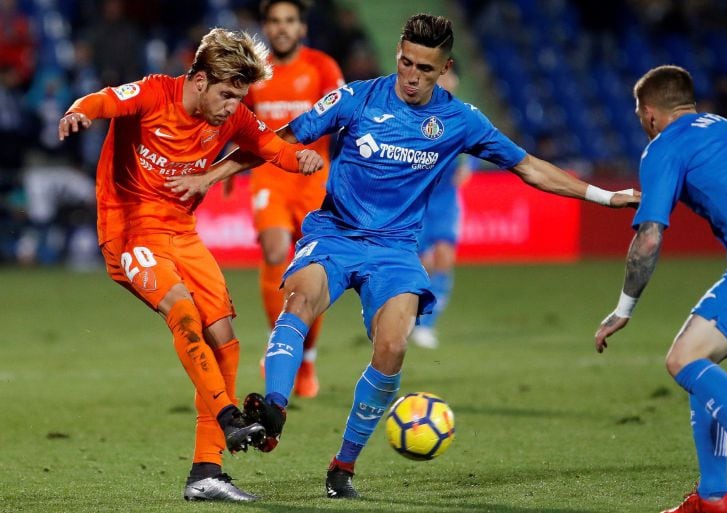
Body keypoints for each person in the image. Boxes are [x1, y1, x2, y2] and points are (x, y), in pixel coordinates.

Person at [167, 13, 638, 499]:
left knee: (392, 348)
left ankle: (342, 467)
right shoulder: (357, 98)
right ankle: (274, 409)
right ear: (397, 54)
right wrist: (209, 177)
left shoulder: (460, 121)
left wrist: (604, 197)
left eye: (425, 70)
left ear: (446, 68)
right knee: (299, 302)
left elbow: (529, 168)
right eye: (406, 63)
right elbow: (279, 140)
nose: (412, 76)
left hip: (395, 251)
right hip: (336, 234)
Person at [58, 27, 323, 502]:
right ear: (198, 80)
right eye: (225, 94)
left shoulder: (233, 115)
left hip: (182, 234)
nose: (231, 106)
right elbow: (103, 100)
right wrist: (79, 111)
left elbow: (269, 146)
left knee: (224, 335)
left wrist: (298, 156)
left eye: (239, 96)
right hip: (130, 233)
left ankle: (207, 472)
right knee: (181, 311)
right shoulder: (155, 93)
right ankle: (227, 416)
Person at [594, 65, 727, 513]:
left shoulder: (664, 145)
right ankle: (713, 496)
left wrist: (624, 308)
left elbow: (649, 236)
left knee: (684, 359)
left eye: (639, 114)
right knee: (699, 359)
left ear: (649, 113)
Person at [240, 0, 345, 398]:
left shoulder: (322, 67)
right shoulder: (253, 71)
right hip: (270, 172)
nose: (281, 28)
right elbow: (240, 120)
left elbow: (344, 118)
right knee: (273, 250)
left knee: (312, 268)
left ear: (302, 28)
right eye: (274, 21)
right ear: (266, 27)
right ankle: (282, 345)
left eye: (289, 21)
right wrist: (229, 166)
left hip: (314, 173)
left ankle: (308, 357)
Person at [408, 65, 472, 349]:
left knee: (445, 258)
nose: (446, 81)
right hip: (417, 199)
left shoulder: (463, 114)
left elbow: (475, 147)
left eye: (450, 75)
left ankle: (426, 325)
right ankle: (405, 315)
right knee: (423, 264)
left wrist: (468, 166)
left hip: (446, 199)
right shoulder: (415, 111)